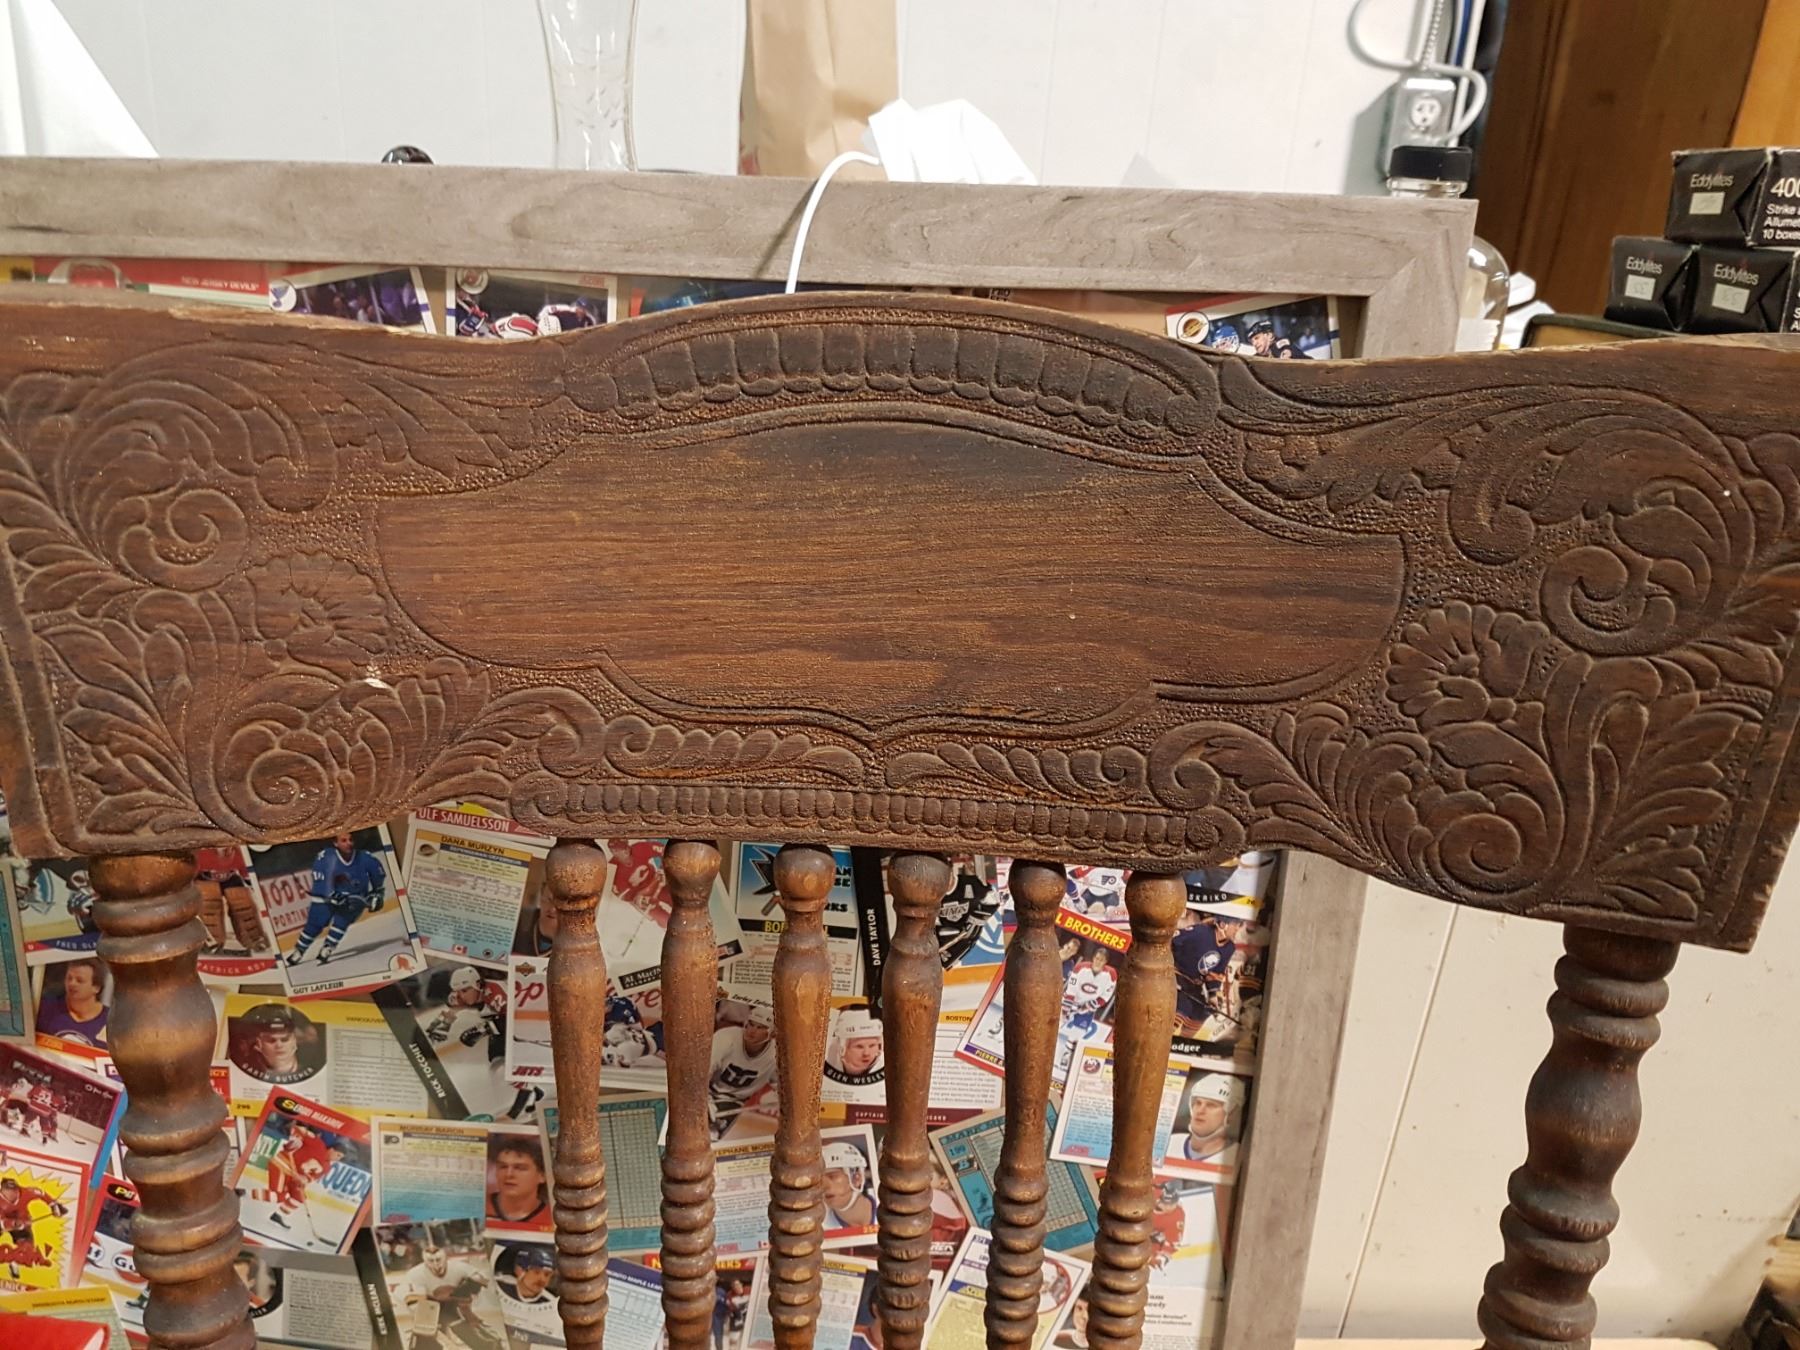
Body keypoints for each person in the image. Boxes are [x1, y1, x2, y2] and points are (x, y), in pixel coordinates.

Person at [286, 832, 387, 967]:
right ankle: (299, 950)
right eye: (343, 840)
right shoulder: (326, 857)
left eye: (350, 840)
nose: (348, 843)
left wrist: (378, 893)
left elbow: (378, 876)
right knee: (315, 924)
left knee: (342, 922)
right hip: (326, 899)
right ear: (335, 843)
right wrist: (331, 894)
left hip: (354, 897)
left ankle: (328, 947)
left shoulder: (365, 857)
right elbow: (321, 880)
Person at [400, 1239, 504, 1350]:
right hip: (429, 1308)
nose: (436, 1264)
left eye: (438, 1260)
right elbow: (412, 1300)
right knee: (425, 1333)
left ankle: (488, 1344)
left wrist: (469, 1289)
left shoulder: (458, 1267)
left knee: (475, 1333)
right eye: (431, 1260)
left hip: (454, 1305)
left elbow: (482, 1279)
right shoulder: (415, 1274)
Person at [1172, 900, 1255, 1035]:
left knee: (1202, 1012)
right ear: (1223, 924)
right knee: (1183, 1006)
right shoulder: (1200, 932)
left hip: (1193, 985)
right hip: (1175, 975)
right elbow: (1172, 939)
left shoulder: (1229, 948)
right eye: (1236, 924)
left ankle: (1182, 1041)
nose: (1238, 929)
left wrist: (1212, 996)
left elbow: (1216, 973)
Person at [709, 1004, 778, 1132]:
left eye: (760, 1027)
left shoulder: (776, 1054)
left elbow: (781, 1087)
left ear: (773, 1034)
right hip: (707, 1092)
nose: (752, 1030)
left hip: (734, 1101)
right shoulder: (726, 1037)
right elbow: (703, 1072)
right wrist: (702, 1099)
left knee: (713, 1134)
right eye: (751, 1024)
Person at [426, 966, 506, 1053]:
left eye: (464, 990)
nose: (462, 996)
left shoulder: (495, 992)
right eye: (458, 992)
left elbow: (509, 1018)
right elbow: (452, 1010)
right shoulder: (464, 995)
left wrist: (485, 1028)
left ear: (477, 985)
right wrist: (443, 1025)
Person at [235, 1004, 320, 1084]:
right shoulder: (245, 1073)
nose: (279, 1045)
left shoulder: (313, 1071)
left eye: (285, 1039)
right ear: (259, 1044)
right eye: (271, 1040)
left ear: (294, 1041)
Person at [1172, 1073, 1244, 1168]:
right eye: (1198, 1103)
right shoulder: (1171, 1142)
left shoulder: (1238, 1155)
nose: (1200, 1111)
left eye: (1211, 1105)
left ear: (1231, 1114)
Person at [0, 1174, 65, 1279]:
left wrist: (54, 1205)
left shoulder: (25, 1192)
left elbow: (42, 1194)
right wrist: (14, 1224)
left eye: (14, 1190)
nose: (11, 1194)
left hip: (22, 1222)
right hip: (4, 1223)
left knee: (27, 1246)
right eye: (7, 1191)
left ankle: (15, 1262)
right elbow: (2, 1222)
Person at [37, 957, 108, 1048]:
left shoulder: (111, 1022)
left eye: (79, 980)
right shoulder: (45, 1008)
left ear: (96, 987)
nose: (72, 983)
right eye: (69, 978)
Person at [486, 1138, 549, 1226]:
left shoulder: (552, 1218)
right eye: (503, 1167)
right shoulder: (479, 1207)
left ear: (542, 1176)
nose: (509, 1174)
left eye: (520, 1168)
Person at [820, 1141, 875, 1229]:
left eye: (832, 1176)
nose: (824, 1186)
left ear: (857, 1178)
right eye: (819, 1180)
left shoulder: (888, 1205)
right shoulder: (821, 1227)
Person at [828, 1007, 883, 1078]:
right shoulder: (828, 1059)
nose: (866, 1053)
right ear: (842, 1049)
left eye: (872, 1045)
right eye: (859, 1046)